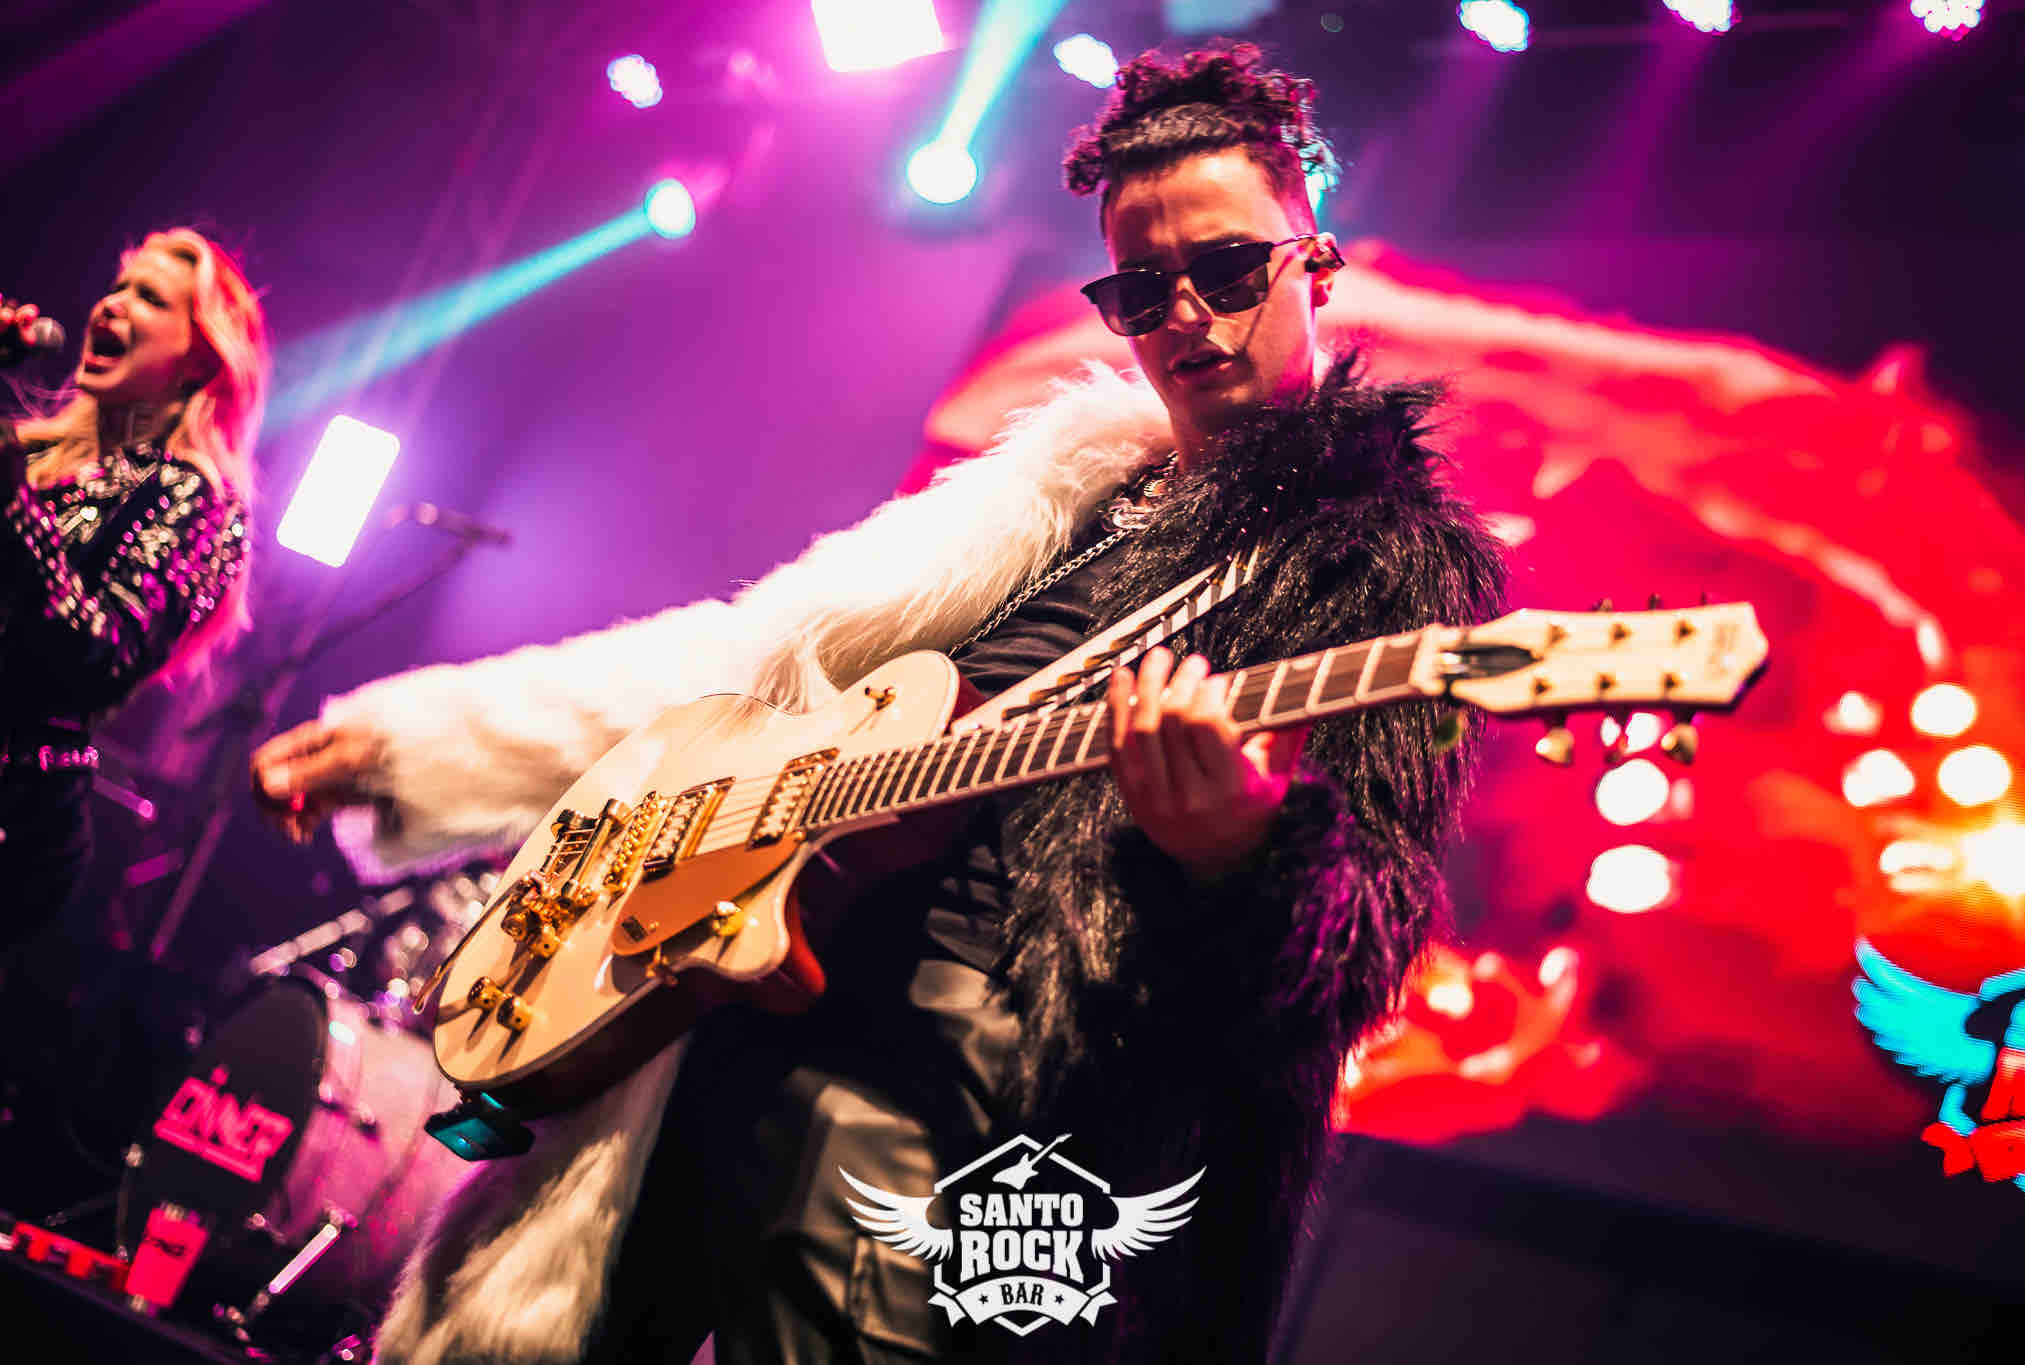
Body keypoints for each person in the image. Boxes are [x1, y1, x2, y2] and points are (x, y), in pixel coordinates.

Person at [252, 45, 1505, 1364]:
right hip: (725, 1028)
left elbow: (1365, 928)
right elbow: (736, 684)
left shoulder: (1377, 561)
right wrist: (405, 743)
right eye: (1142, 288)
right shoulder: (1042, 491)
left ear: (1316, 264)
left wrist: (1245, 852)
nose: (1185, 315)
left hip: (966, 1131)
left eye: (1231, 269)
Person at [1, 228, 266, 949]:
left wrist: (11, 506)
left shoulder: (196, 498)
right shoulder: (39, 457)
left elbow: (103, 657)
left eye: (148, 298)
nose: (112, 304)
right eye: (118, 287)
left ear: (199, 359)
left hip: (16, 812)